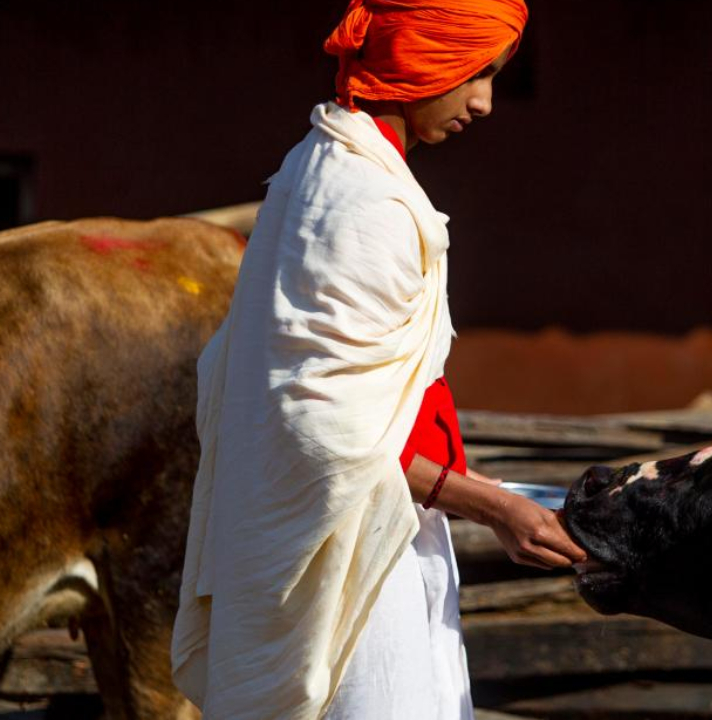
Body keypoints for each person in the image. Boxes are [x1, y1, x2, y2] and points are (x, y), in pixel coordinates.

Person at [170, 2, 586, 718]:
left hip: (388, 520)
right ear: (421, 56)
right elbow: (323, 432)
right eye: (473, 72)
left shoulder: (322, 164)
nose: (484, 101)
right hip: (355, 549)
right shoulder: (361, 199)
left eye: (494, 76)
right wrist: (493, 506)